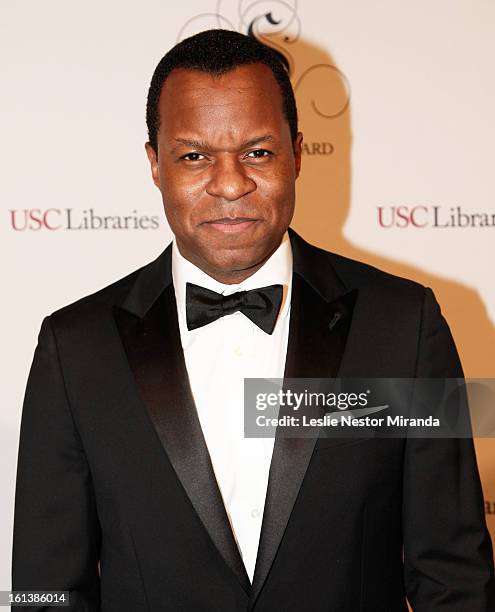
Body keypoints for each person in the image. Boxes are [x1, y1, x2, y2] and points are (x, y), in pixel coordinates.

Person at [12, 29, 494, 611]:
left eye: (257, 152)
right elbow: (45, 592)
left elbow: (456, 576)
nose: (231, 183)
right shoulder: (74, 349)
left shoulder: (405, 326)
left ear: (296, 153)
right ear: (155, 164)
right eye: (194, 156)